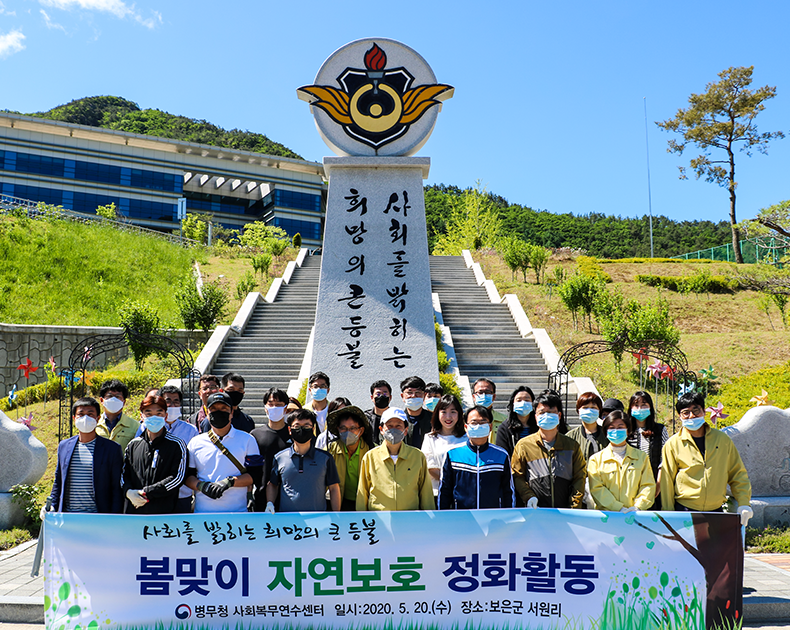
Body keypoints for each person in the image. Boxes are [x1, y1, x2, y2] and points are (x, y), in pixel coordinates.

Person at [661, 392, 752, 525]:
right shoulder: (673, 444)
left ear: (704, 411)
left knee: (716, 546)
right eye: (685, 412)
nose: (691, 416)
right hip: (685, 511)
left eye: (696, 410)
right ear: (680, 416)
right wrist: (669, 513)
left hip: (715, 511)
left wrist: (744, 503)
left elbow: (737, 473)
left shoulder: (722, 440)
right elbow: (667, 480)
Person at [185, 392, 261, 513]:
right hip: (203, 513)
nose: (218, 412)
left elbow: (255, 475)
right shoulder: (195, 442)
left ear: (231, 413)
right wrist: (202, 486)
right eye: (213, 409)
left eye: (224, 409)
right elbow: (188, 477)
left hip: (237, 512)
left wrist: (230, 482)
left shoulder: (247, 440)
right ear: (207, 413)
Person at [47, 397, 123, 514]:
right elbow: (58, 481)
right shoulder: (64, 446)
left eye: (90, 414)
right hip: (68, 516)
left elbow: (116, 488)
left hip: (97, 517)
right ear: (74, 418)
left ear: (98, 418)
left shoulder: (112, 449)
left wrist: (114, 517)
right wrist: (52, 505)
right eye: (80, 414)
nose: (85, 418)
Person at [511, 389, 585, 509]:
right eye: (542, 412)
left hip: (566, 512)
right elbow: (517, 475)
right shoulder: (524, 446)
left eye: (551, 412)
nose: (546, 416)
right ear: (535, 417)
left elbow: (579, 478)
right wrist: (529, 496)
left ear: (559, 415)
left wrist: (574, 507)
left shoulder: (572, 446)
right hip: (536, 511)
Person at [357, 408, 434, 511]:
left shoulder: (417, 456)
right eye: (389, 426)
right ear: (381, 429)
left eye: (398, 426)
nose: (394, 429)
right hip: (379, 520)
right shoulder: (370, 457)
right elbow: (363, 492)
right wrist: (361, 518)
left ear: (405, 430)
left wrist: (429, 520)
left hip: (409, 518)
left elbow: (426, 492)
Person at [134, 385, 198, 512]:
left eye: (176, 401)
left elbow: (193, 463)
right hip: (152, 495)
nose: (172, 404)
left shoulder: (190, 430)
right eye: (168, 401)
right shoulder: (145, 428)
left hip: (182, 494)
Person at [439, 405, 515, 510]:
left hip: (494, 519)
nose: (478, 426)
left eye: (483, 423)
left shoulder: (501, 455)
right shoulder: (453, 454)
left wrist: (508, 516)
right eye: (474, 423)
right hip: (463, 517)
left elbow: (508, 491)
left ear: (490, 427)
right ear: (466, 427)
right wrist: (444, 517)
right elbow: (445, 490)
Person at [265, 409, 341, 512]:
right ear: (290, 430)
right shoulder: (279, 458)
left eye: (306, 426)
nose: (301, 429)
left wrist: (337, 514)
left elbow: (334, 488)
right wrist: (270, 502)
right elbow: (273, 484)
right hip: (287, 522)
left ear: (313, 429)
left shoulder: (325, 458)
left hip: (318, 519)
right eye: (297, 426)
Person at [122, 395, 187, 514]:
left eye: (159, 413)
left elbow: (177, 478)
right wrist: (129, 492)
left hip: (164, 514)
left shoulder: (177, 444)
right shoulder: (133, 445)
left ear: (166, 416)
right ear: (141, 416)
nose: (154, 417)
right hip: (134, 512)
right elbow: (124, 475)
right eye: (148, 413)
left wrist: (147, 493)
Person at [587, 411, 656, 512]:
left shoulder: (641, 457)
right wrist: (618, 507)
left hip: (635, 516)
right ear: (606, 432)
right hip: (607, 516)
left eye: (620, 427)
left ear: (628, 431)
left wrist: (638, 506)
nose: (616, 431)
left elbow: (648, 485)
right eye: (611, 428)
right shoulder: (595, 460)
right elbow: (597, 489)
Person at [326, 406, 375, 511]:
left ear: (361, 430)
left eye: (352, 428)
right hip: (338, 502)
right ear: (338, 429)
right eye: (343, 428)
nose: (348, 432)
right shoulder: (330, 450)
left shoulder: (373, 451)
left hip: (366, 503)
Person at [251, 388, 292, 511]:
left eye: (279, 405)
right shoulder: (255, 435)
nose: (274, 407)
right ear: (265, 408)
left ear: (285, 408)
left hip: (289, 496)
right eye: (271, 404)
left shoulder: (293, 434)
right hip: (260, 496)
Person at [626, 390, 668, 508]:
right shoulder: (625, 431)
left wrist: (658, 484)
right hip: (631, 484)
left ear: (650, 407)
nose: (640, 408)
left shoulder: (660, 430)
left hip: (654, 482)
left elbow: (664, 459)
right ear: (630, 408)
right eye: (636, 405)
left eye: (644, 405)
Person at [421, 395, 466, 499]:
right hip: (437, 493)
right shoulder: (429, 438)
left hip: (463, 493)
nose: (448, 417)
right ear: (437, 414)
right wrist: (453, 480)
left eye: (453, 412)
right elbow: (430, 468)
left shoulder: (467, 438)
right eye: (444, 412)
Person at [95, 379, 138, 452]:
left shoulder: (135, 426)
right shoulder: (93, 424)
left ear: (124, 402)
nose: (114, 399)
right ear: (102, 400)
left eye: (118, 397)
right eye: (110, 396)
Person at [495, 386, 536, 457]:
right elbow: (503, 453)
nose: (523, 403)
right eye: (519, 400)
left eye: (527, 400)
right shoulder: (505, 428)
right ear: (513, 404)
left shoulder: (539, 426)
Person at [567, 392, 608, 461]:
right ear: (578, 411)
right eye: (585, 408)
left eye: (593, 408)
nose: (589, 411)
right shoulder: (570, 437)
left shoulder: (607, 435)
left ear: (599, 411)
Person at [400, 376, 433, 449]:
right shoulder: (398, 419)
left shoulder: (434, 419)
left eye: (418, 392)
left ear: (424, 395)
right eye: (409, 392)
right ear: (402, 396)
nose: (414, 396)